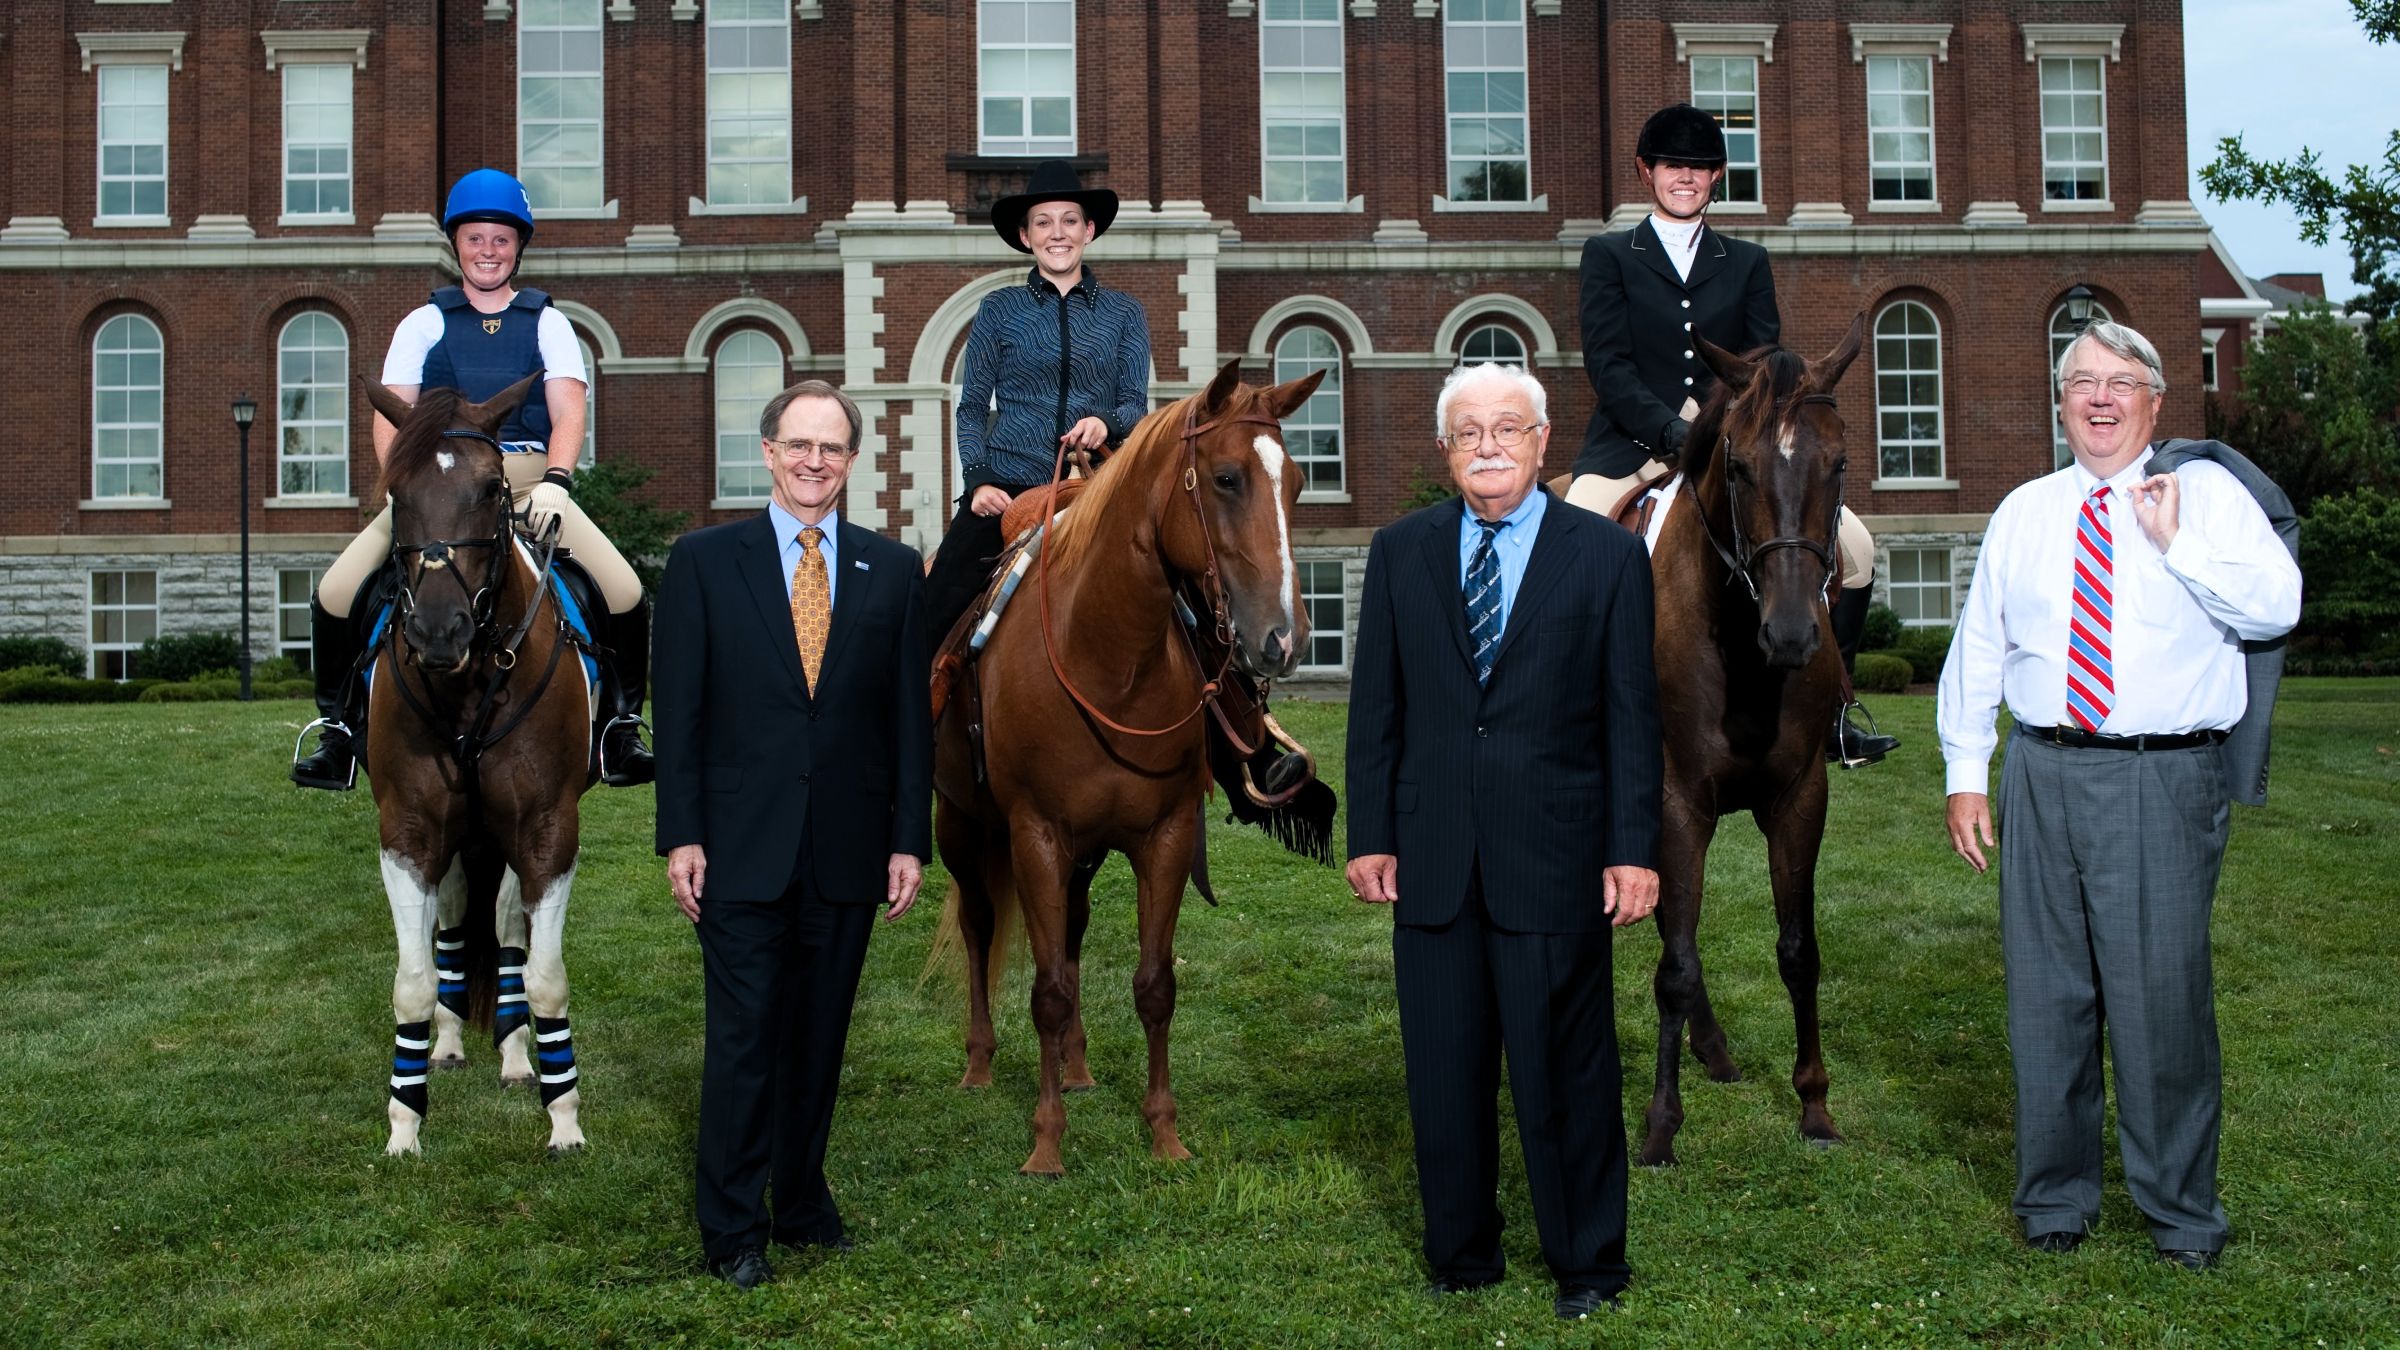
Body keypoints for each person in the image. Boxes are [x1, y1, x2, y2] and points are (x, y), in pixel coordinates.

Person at [1937, 321, 2299, 1270]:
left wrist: (2176, 543)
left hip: (2158, 775)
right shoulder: (2025, 509)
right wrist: (1968, 774)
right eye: (2082, 381)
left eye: (2122, 382)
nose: (2100, 398)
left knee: (2158, 1001)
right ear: (2061, 401)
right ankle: (2055, 1197)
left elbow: (2277, 605)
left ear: (2156, 399)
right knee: (2047, 999)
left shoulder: (2206, 495)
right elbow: (1981, 646)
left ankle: (2180, 1215)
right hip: (2043, 771)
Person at [1345, 361, 1663, 1320]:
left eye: (1508, 428)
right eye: (1469, 431)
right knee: (1445, 1069)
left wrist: (1633, 847)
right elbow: (1377, 711)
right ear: (1446, 451)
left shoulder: (1604, 558)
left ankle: (1589, 1266)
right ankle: (1461, 1255)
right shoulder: (1400, 551)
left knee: (1565, 1070)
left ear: (1541, 441)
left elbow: (1629, 719)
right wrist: (1371, 835)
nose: (1489, 445)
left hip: (1556, 855)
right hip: (1433, 856)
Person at [652, 379, 933, 1291]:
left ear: (852, 463)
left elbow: (907, 722)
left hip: (849, 845)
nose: (815, 461)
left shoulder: (892, 570)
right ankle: (733, 1229)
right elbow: (681, 711)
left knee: (818, 1038)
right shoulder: (703, 560)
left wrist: (908, 839)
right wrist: (681, 834)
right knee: (744, 1040)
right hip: (738, 844)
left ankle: (803, 1202)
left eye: (833, 448)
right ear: (767, 452)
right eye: (799, 444)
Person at [293, 168, 654, 790]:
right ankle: (340, 732)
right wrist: (399, 486)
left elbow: (569, 409)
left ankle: (619, 730)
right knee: (335, 590)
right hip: (434, 486)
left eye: (500, 240)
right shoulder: (422, 323)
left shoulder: (548, 323)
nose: (488, 251)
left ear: (519, 247)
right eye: (475, 238)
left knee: (625, 593)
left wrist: (558, 481)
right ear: (456, 244)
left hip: (529, 480)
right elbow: (394, 416)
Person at [1572, 103, 1896, 765]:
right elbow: (1608, 365)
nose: (1684, 177)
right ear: (1647, 171)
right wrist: (1669, 431)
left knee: (1858, 550)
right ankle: (1573, 718)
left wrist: (1726, 430)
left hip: (1734, 446)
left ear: (1716, 176)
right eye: (1671, 166)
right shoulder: (1608, 255)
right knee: (1575, 545)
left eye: (1697, 167)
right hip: (1631, 448)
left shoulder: (1747, 261)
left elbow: (1767, 362)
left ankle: (1832, 709)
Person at [923, 159, 1149, 644]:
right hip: (1008, 490)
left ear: (1088, 230)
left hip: (1100, 487)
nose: (1057, 233)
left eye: (1069, 220)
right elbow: (971, 408)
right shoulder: (999, 310)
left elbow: (1136, 404)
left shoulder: (1125, 313)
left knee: (1183, 598)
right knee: (928, 616)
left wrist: (1106, 423)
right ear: (1026, 237)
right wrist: (979, 481)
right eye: (1043, 223)